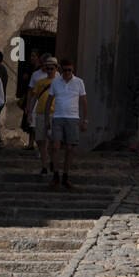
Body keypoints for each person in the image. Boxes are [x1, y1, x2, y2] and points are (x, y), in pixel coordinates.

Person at [49, 58, 88, 191]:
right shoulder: (55, 82)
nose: (67, 72)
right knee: (55, 147)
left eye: (69, 70)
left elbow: (84, 102)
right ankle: (55, 175)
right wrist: (48, 118)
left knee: (70, 149)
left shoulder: (79, 82)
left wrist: (85, 120)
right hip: (58, 117)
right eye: (65, 70)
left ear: (73, 70)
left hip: (72, 118)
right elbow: (50, 99)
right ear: (61, 70)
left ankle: (66, 176)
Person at [21, 54, 58, 177]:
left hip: (55, 113)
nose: (49, 70)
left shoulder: (60, 81)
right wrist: (30, 112)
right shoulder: (40, 81)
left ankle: (52, 162)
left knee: (53, 141)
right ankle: (44, 165)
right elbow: (33, 97)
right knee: (41, 140)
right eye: (47, 68)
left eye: (51, 68)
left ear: (56, 68)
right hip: (41, 112)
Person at [23, 48, 41, 149]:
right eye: (31, 56)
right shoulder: (31, 69)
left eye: (34, 56)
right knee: (30, 123)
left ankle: (35, 144)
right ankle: (30, 143)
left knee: (35, 123)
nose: (32, 58)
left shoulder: (39, 71)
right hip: (30, 97)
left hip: (37, 98)